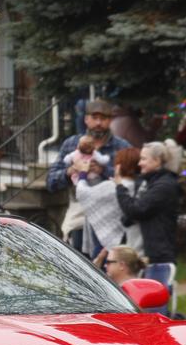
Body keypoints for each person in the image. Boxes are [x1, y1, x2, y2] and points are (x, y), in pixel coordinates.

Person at [47, 99, 131, 250]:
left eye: (103, 118)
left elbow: (132, 181)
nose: (98, 123)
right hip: (80, 211)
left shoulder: (122, 146)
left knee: (109, 264)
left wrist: (103, 171)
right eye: (94, 118)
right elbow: (51, 181)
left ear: (110, 120)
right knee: (79, 261)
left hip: (111, 214)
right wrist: (71, 170)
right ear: (86, 119)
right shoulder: (71, 144)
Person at [114, 141, 179, 284]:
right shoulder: (147, 182)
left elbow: (136, 210)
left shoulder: (164, 186)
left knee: (152, 301)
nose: (139, 164)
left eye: (143, 159)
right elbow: (130, 215)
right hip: (147, 254)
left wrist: (120, 186)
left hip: (159, 256)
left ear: (157, 161)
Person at [76, 147, 143, 257]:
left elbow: (82, 193)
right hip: (128, 242)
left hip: (106, 246)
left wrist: (82, 172)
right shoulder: (138, 186)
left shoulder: (113, 186)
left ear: (120, 165)